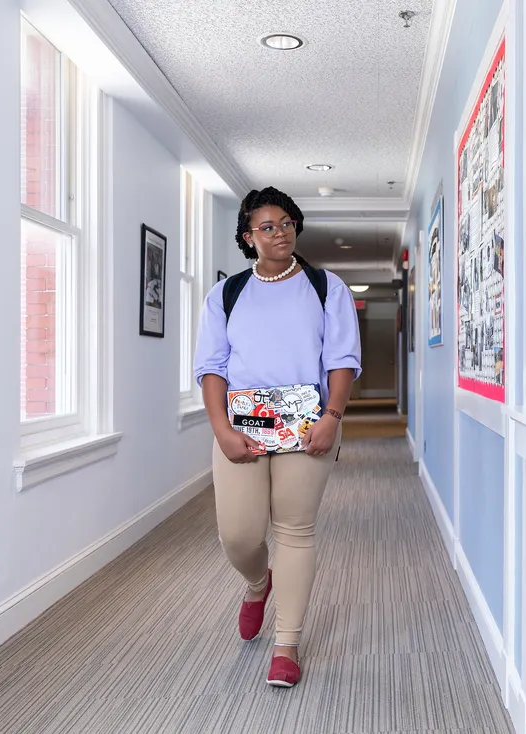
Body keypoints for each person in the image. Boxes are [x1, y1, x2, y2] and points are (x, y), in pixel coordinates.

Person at [193, 186, 361, 688]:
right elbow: (211, 367)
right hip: (243, 424)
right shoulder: (226, 294)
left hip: (308, 422)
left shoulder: (325, 286)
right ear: (248, 237)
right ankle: (255, 583)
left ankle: (286, 644)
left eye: (286, 222)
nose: (280, 232)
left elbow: (342, 359)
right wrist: (221, 429)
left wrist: (332, 416)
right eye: (267, 226)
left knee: (294, 530)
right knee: (240, 534)